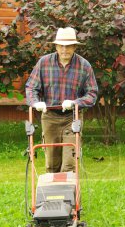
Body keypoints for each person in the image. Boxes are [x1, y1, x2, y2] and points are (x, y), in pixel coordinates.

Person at [26, 27, 98, 173]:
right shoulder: (44, 63)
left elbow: (92, 94)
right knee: (52, 164)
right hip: (49, 118)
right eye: (61, 46)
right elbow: (31, 88)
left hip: (72, 118)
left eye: (69, 46)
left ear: (75, 47)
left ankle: (68, 195)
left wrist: (75, 103)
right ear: (56, 46)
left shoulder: (84, 66)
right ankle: (52, 194)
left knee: (69, 165)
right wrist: (35, 102)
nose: (65, 49)